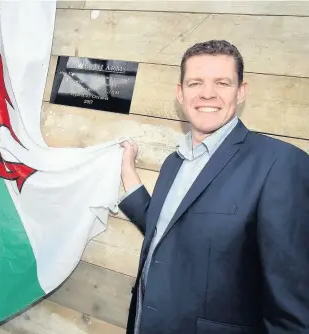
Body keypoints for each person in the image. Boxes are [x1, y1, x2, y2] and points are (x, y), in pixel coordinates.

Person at [119, 40, 309, 334]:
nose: (207, 93)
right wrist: (128, 172)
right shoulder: (174, 162)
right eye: (195, 83)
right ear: (180, 93)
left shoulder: (280, 164)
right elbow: (169, 234)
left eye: (222, 82)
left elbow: (292, 314)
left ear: (241, 91)